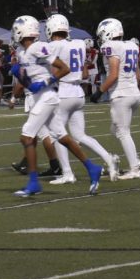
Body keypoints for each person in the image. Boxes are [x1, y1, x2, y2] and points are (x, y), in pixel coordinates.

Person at [9, 15, 104, 197]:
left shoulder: (38, 47)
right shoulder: (23, 52)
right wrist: (22, 79)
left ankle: (34, 182)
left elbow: (64, 68)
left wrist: (45, 81)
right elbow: (31, 81)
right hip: (40, 97)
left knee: (27, 137)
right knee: (62, 137)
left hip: (48, 96)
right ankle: (92, 168)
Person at [41, 14, 119, 185]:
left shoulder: (53, 45)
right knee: (80, 135)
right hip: (79, 93)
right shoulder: (79, 43)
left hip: (63, 93)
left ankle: (67, 173)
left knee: (57, 135)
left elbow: (55, 73)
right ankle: (109, 158)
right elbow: (84, 73)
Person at [96, 18, 140, 179]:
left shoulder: (110, 46)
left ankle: (135, 168)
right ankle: (133, 158)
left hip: (122, 94)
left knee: (123, 132)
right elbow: (138, 75)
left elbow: (114, 74)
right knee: (115, 129)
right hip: (134, 92)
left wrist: (100, 91)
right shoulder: (132, 45)